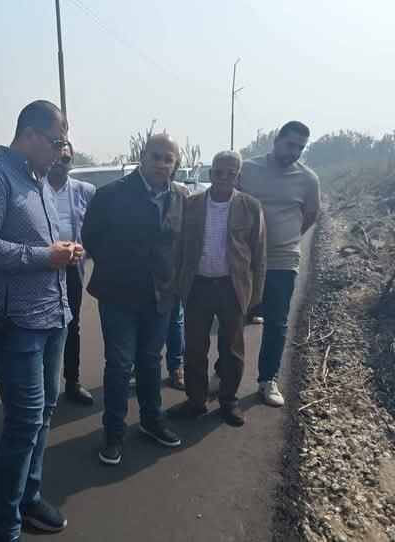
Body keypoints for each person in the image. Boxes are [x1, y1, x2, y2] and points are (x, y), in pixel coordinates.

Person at [0, 100, 78, 542]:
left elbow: (36, 243)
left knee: (43, 414)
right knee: (24, 421)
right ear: (29, 135)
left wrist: (62, 251)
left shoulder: (38, 180)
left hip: (51, 314)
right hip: (14, 322)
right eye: (56, 143)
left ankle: (29, 498)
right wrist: (47, 256)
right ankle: (4, 524)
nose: (62, 152)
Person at [82, 133, 188, 466]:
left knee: (150, 360)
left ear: (175, 164)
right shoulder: (111, 195)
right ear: (142, 156)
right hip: (119, 295)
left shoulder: (180, 197)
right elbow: (91, 239)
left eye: (168, 159)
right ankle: (113, 431)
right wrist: (121, 268)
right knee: (119, 364)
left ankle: (151, 420)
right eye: (156, 156)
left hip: (160, 295)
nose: (161, 164)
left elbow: (180, 244)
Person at [212, 121, 320, 407]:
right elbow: (228, 201)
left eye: (300, 147)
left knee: (277, 322)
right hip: (243, 260)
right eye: (290, 144)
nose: (294, 151)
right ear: (277, 140)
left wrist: (286, 238)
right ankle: (222, 372)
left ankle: (267, 380)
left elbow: (310, 215)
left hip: (283, 261)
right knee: (232, 318)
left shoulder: (308, 179)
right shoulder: (248, 169)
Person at [168, 151, 266, 426]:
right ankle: (196, 400)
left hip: (232, 288)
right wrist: (178, 284)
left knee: (232, 349)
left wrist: (256, 294)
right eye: (218, 172)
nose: (223, 178)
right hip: (197, 287)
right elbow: (179, 247)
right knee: (194, 349)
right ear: (211, 174)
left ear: (238, 177)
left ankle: (228, 400)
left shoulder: (250, 206)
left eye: (230, 173)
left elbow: (259, 254)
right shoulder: (192, 204)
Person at [46, 142, 96, 405]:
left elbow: (94, 229)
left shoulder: (85, 191)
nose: (59, 162)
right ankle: (44, 384)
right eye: (56, 157)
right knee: (41, 325)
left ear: (72, 161)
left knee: (71, 324)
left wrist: (84, 249)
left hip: (72, 268)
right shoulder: (35, 188)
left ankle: (72, 381)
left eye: (65, 159)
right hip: (41, 268)